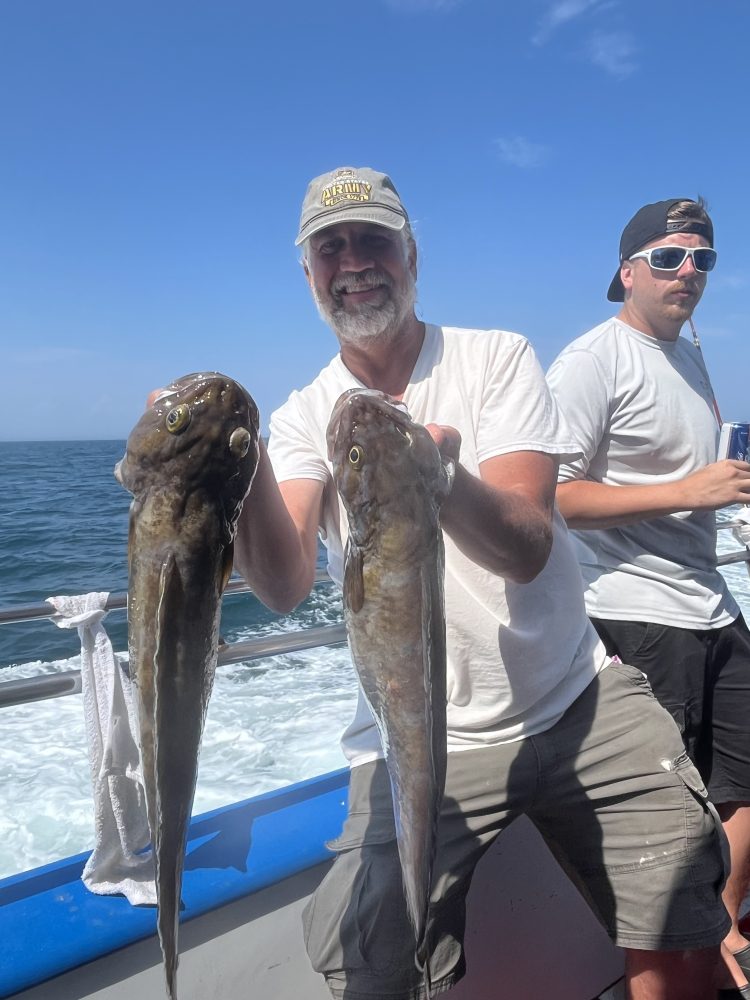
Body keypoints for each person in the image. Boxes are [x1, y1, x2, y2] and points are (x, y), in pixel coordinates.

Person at [233, 168, 730, 1000]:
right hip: (417, 736)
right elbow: (282, 586)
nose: (354, 262)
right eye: (331, 248)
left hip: (576, 696)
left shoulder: (495, 358)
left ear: (411, 254)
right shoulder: (302, 415)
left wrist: (439, 479)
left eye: (374, 240)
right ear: (309, 273)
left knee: (682, 915)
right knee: (372, 963)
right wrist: (240, 467)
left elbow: (530, 544)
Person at [547, 197, 750, 998]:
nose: (688, 272)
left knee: (743, 785)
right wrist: (687, 487)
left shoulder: (691, 356)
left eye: (702, 258)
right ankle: (693, 960)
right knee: (668, 827)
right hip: (634, 610)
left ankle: (722, 932)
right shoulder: (592, 361)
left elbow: (695, 479)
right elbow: (552, 497)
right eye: (668, 258)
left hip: (709, 599)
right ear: (627, 272)